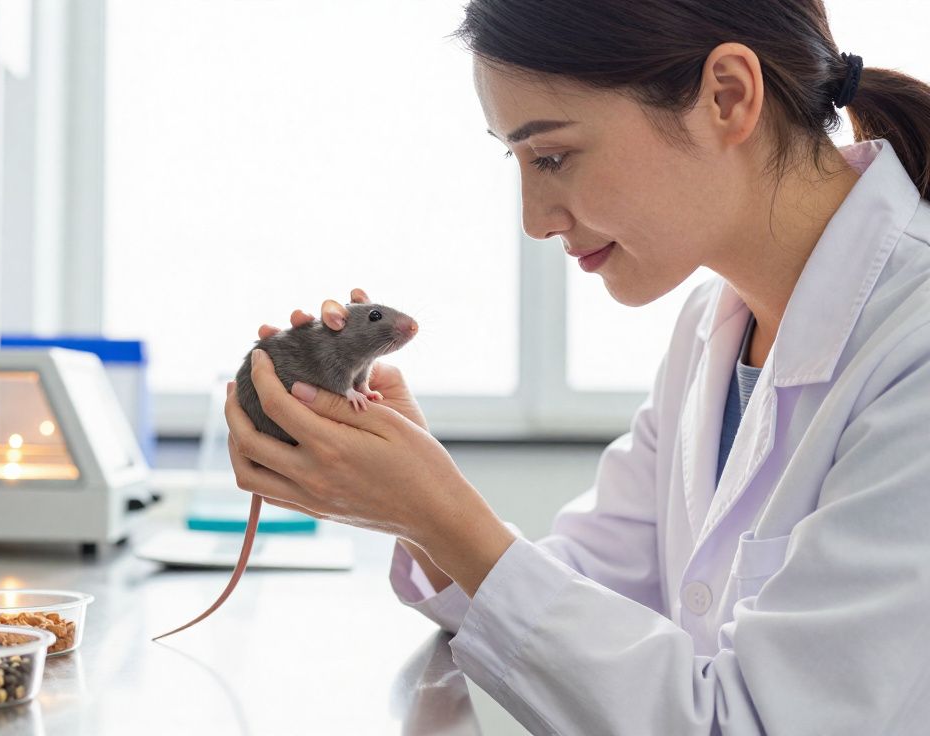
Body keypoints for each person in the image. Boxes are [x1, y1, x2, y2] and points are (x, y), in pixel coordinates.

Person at [222, 1, 930, 733]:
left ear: (727, 97)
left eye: (552, 157)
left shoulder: (914, 350)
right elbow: (587, 594)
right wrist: (411, 498)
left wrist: (434, 510)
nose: (534, 218)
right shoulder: (711, 330)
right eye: (518, 160)